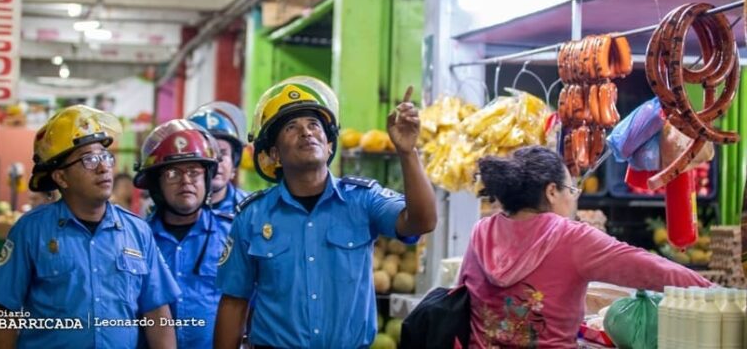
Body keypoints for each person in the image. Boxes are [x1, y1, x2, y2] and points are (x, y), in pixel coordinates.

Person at [214, 76, 437, 349]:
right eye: (291, 128)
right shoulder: (252, 216)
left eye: (313, 125)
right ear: (275, 154)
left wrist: (408, 152)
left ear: (329, 145)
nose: (306, 132)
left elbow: (422, 221)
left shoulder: (363, 200)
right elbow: (234, 302)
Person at [459, 145, 712, 348]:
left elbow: (459, 302)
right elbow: (650, 269)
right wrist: (718, 293)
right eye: (571, 188)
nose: (574, 197)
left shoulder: (482, 232)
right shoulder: (569, 236)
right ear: (551, 192)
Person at [0, 105, 180, 349]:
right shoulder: (31, 231)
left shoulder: (137, 232)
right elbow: (5, 312)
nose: (103, 167)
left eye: (105, 156)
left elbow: (157, 313)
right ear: (61, 178)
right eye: (89, 159)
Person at [134, 119, 234, 348]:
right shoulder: (137, 239)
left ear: (207, 178)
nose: (186, 181)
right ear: (156, 183)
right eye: (172, 173)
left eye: (194, 171)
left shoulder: (233, 234)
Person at [188, 101, 249, 211]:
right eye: (207, 152)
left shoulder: (252, 210)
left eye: (223, 152)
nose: (216, 161)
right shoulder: (166, 214)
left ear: (234, 161)